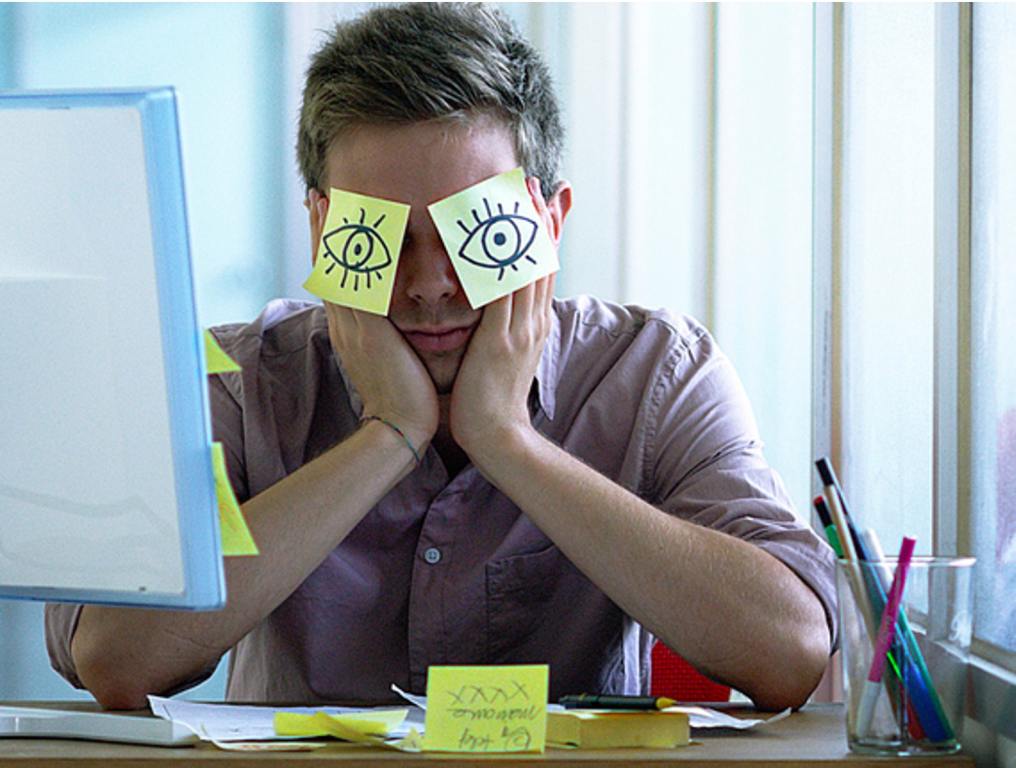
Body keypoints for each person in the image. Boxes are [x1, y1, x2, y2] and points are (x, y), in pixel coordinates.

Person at [46, 3, 836, 712]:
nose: (429, 285)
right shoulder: (234, 380)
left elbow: (790, 652)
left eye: (476, 235)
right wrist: (387, 435)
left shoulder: (658, 373)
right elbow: (113, 657)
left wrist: (509, 442)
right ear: (323, 231)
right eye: (381, 235)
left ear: (548, 222)